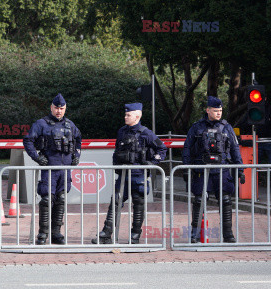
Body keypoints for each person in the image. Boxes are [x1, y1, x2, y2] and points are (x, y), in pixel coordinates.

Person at [92, 102, 167, 244]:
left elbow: (162, 149)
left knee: (138, 205)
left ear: (137, 116)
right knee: (115, 203)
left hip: (139, 175)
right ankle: (106, 234)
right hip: (124, 175)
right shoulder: (122, 131)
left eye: (128, 115)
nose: (125, 117)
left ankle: (135, 236)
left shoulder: (147, 133)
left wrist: (152, 163)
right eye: (125, 114)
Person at [182, 96, 244, 243]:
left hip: (221, 170)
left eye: (221, 110)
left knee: (226, 201)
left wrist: (240, 168)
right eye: (216, 110)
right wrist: (185, 168)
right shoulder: (197, 127)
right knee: (199, 201)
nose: (219, 113)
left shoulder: (227, 127)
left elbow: (235, 149)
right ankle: (195, 234)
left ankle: (228, 234)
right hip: (201, 171)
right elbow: (187, 148)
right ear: (208, 110)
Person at [23, 93, 82, 245]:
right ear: (51, 107)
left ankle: (56, 233)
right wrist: (36, 157)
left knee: (61, 200)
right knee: (47, 200)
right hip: (49, 168)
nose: (59, 111)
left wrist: (76, 156)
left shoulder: (70, 125)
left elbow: (78, 140)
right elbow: (28, 140)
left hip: (65, 168)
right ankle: (43, 233)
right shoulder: (41, 124)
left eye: (61, 108)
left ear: (65, 109)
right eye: (56, 108)